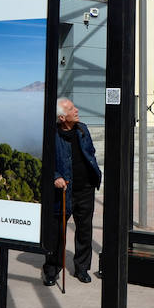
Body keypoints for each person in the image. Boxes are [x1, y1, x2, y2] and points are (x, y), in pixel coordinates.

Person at [44, 97, 100, 286]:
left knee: (84, 230)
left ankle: (82, 269)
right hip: (63, 191)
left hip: (85, 189)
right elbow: (45, 161)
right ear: (62, 117)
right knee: (56, 232)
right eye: (71, 109)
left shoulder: (83, 129)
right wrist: (55, 177)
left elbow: (90, 152)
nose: (76, 110)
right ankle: (52, 269)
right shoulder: (51, 134)